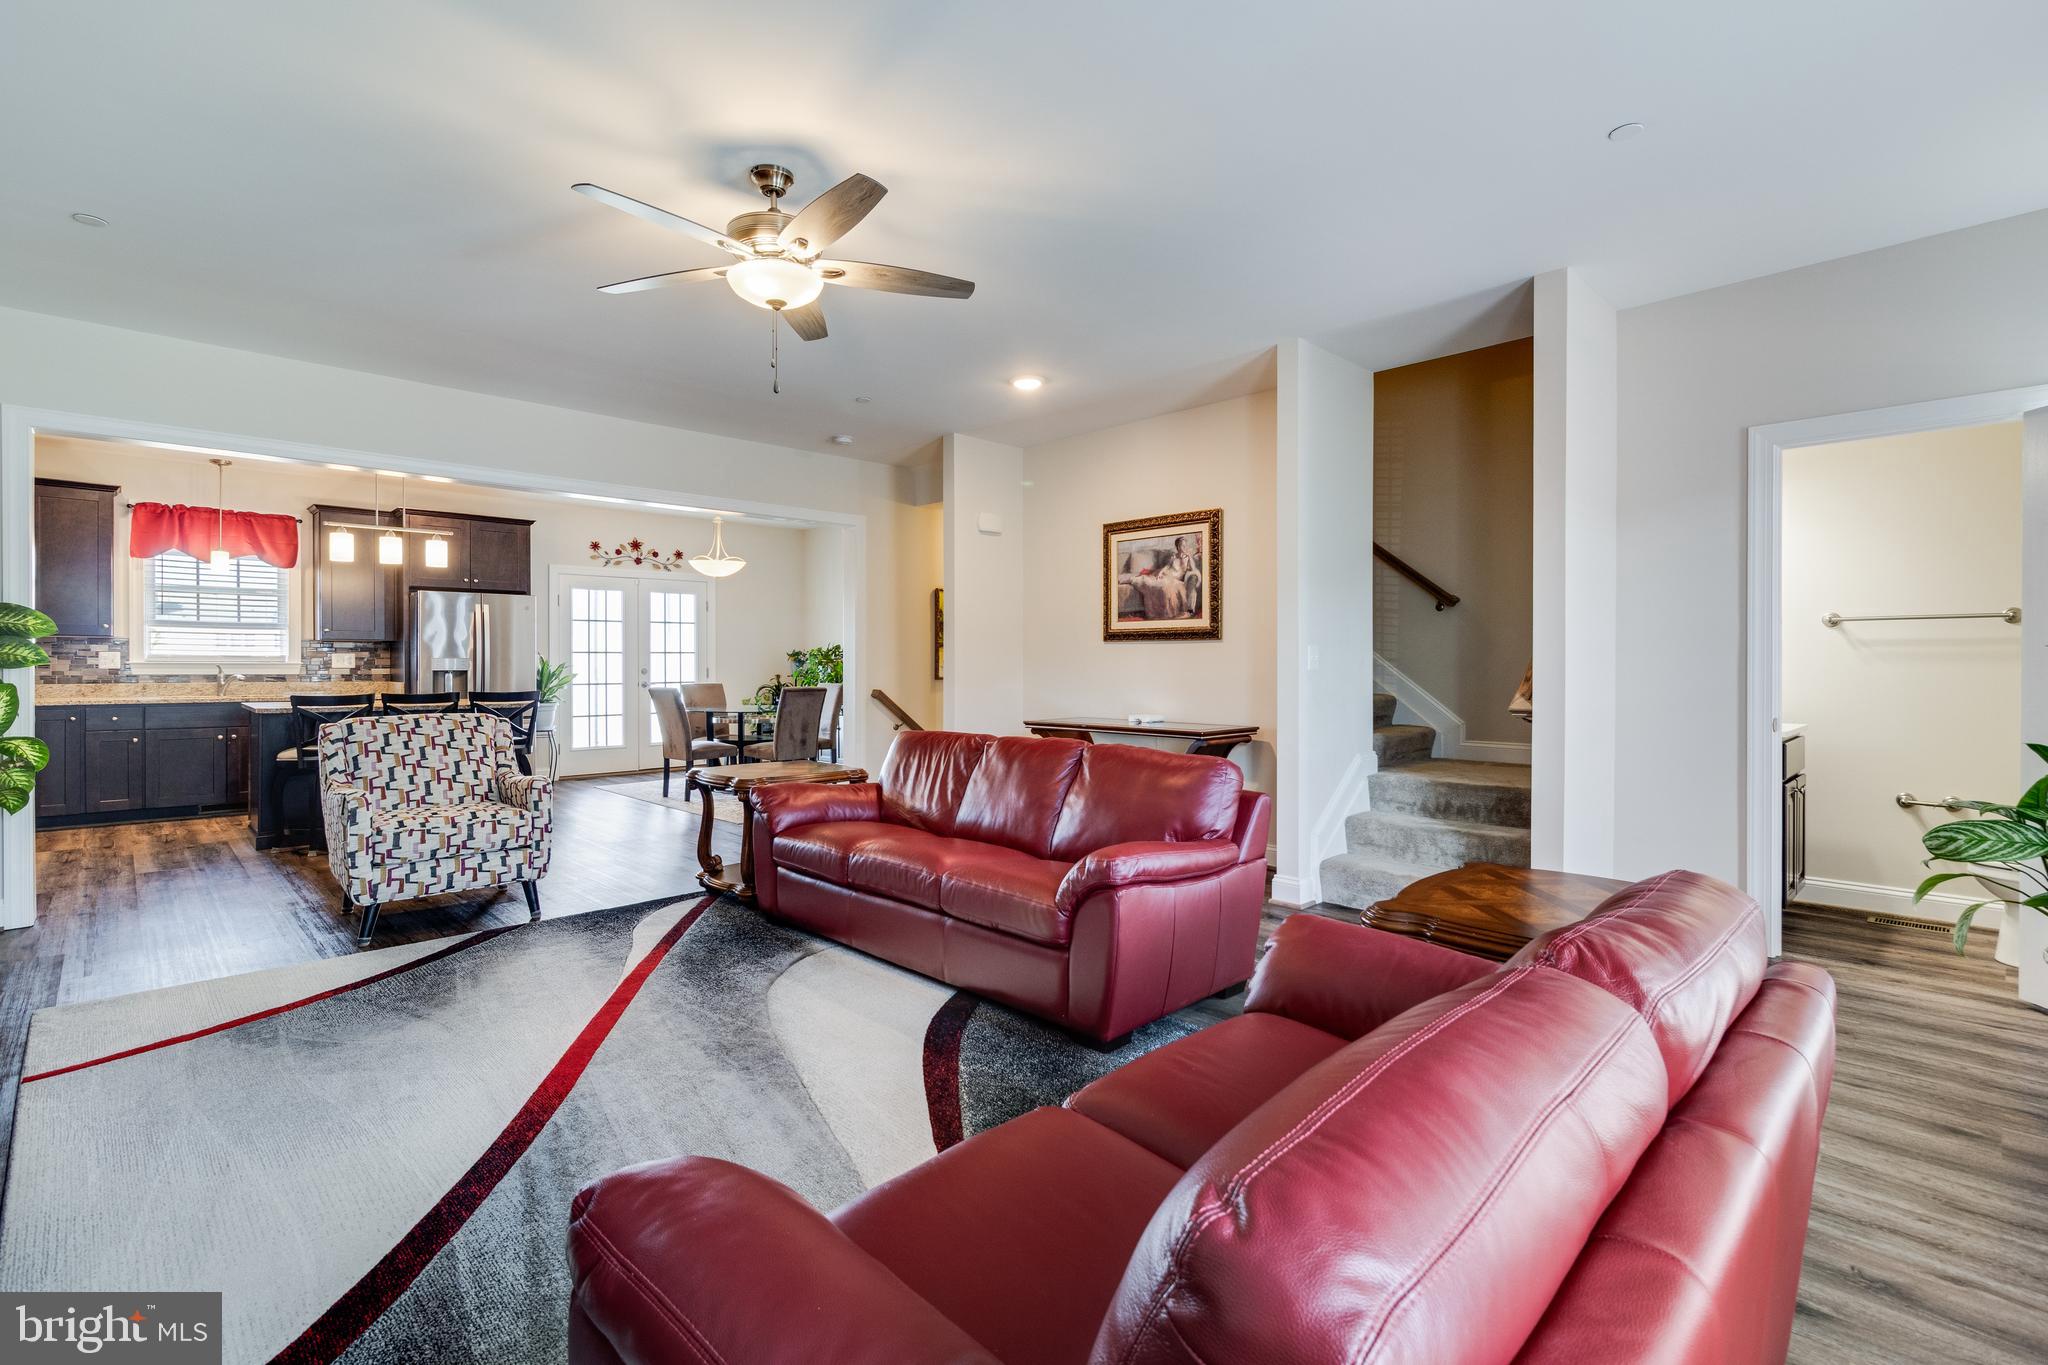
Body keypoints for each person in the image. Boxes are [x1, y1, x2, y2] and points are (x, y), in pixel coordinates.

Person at [1160, 535, 1204, 617]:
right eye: (1182, 545)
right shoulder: (1174, 556)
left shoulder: (1187, 557)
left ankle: (1190, 610)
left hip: (1178, 578)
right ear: (1178, 547)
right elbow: (1167, 566)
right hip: (1170, 575)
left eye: (1185, 545)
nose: (1184, 547)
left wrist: (1189, 557)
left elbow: (1193, 568)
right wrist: (1160, 572)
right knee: (1158, 583)